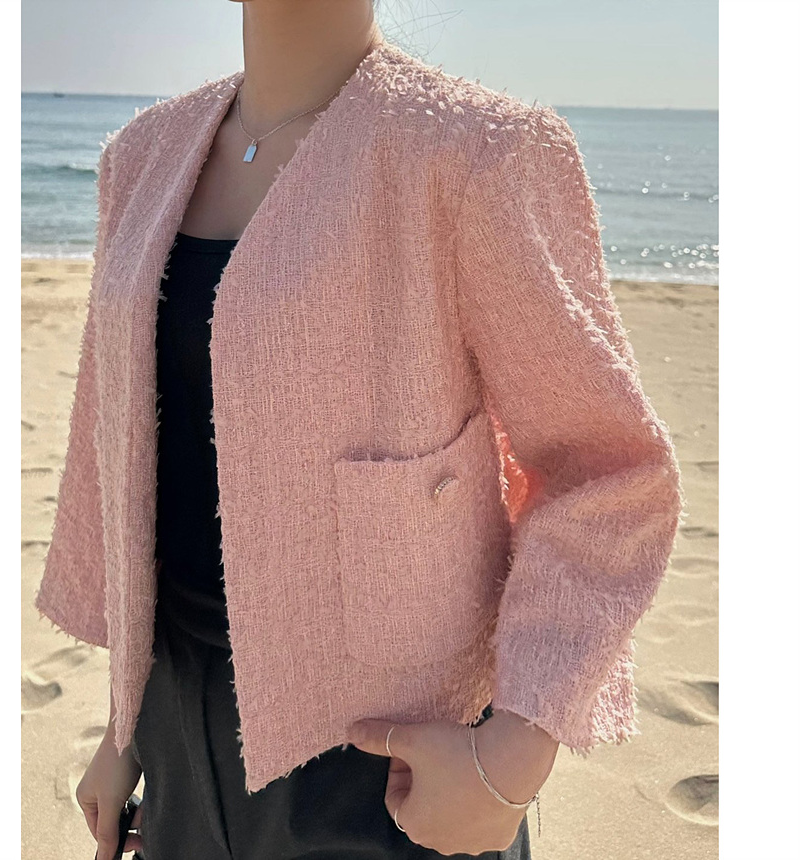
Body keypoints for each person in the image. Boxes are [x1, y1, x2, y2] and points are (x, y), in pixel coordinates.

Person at [34, 2, 684, 859]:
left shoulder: (477, 153)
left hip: (392, 765)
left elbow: (608, 468)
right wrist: (124, 728)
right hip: (175, 730)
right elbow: (128, 454)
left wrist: (515, 753)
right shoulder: (142, 157)